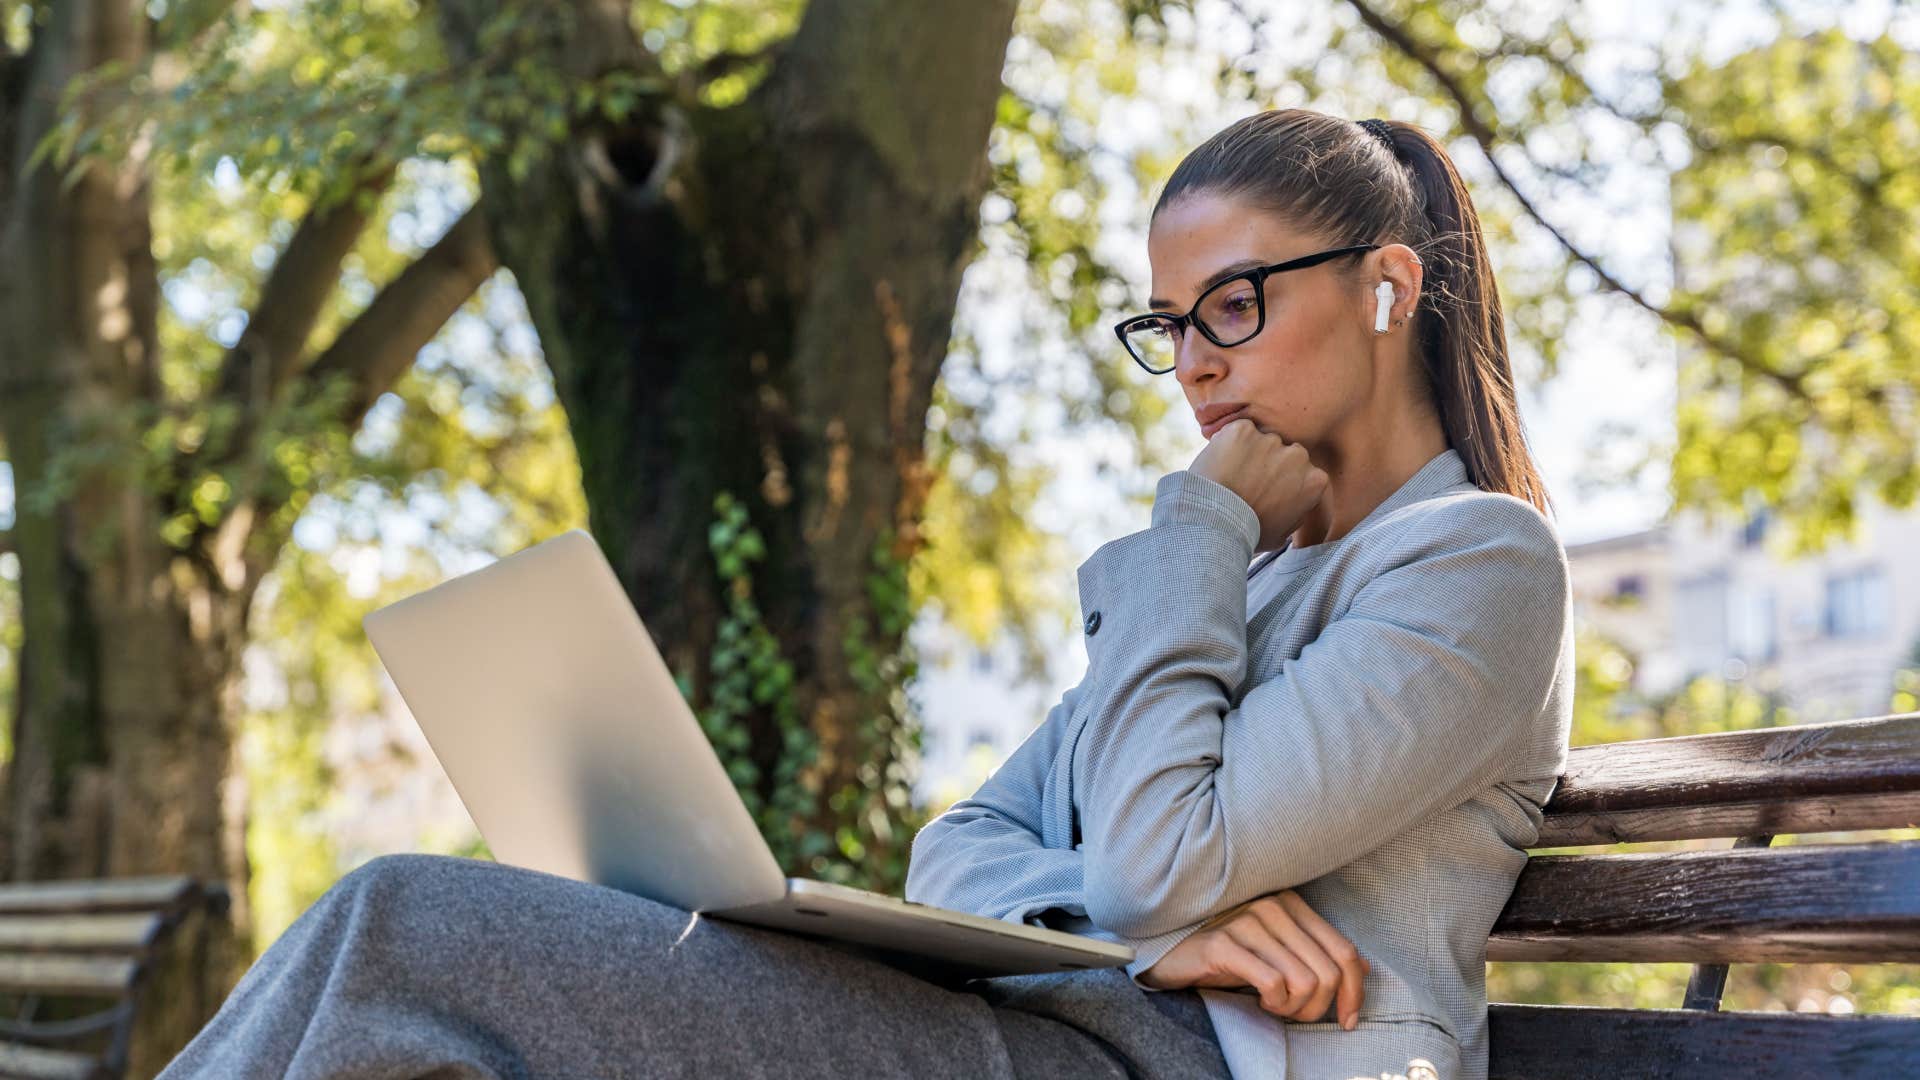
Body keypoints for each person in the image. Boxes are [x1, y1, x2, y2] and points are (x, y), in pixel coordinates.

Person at [159, 108, 1571, 1080]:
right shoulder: (1238, 586)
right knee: (403, 961)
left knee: (410, 926)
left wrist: (1196, 536)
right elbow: (960, 847)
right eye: (1168, 322)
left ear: (1389, 289)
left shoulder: (1475, 567)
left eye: (1234, 304)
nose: (1194, 362)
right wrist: (1153, 939)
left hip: (1184, 1068)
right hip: (1056, 1029)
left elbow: (1153, 853)